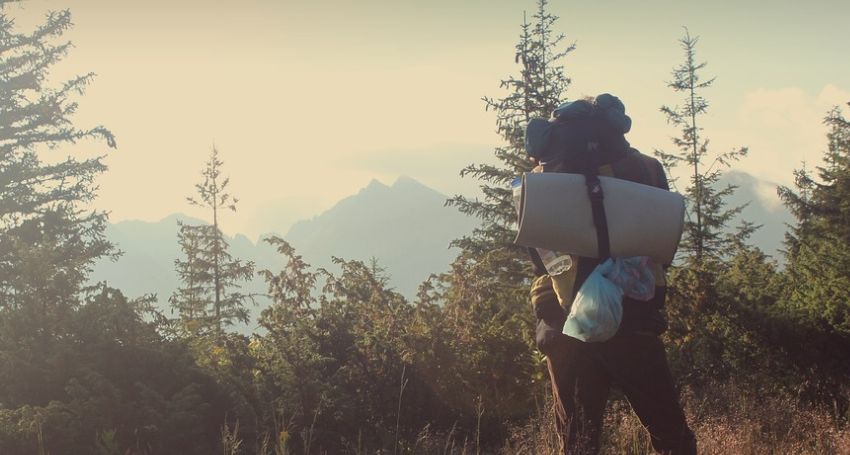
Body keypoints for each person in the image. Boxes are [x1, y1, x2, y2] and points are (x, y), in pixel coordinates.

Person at [525, 95, 697, 454]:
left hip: (565, 323)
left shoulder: (541, 182)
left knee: (578, 442)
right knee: (671, 436)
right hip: (633, 319)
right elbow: (663, 248)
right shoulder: (647, 170)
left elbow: (539, 258)